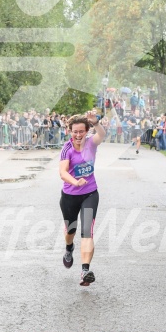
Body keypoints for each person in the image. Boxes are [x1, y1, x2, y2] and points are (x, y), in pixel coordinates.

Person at [59, 112, 105, 286]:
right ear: (70, 132)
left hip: (90, 194)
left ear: (87, 131)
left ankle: (85, 271)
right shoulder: (67, 149)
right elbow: (63, 172)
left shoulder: (92, 144)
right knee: (71, 230)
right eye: (75, 132)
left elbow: (101, 134)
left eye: (81, 131)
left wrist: (96, 123)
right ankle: (69, 248)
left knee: (87, 231)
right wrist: (75, 182)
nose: (78, 135)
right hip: (70, 195)